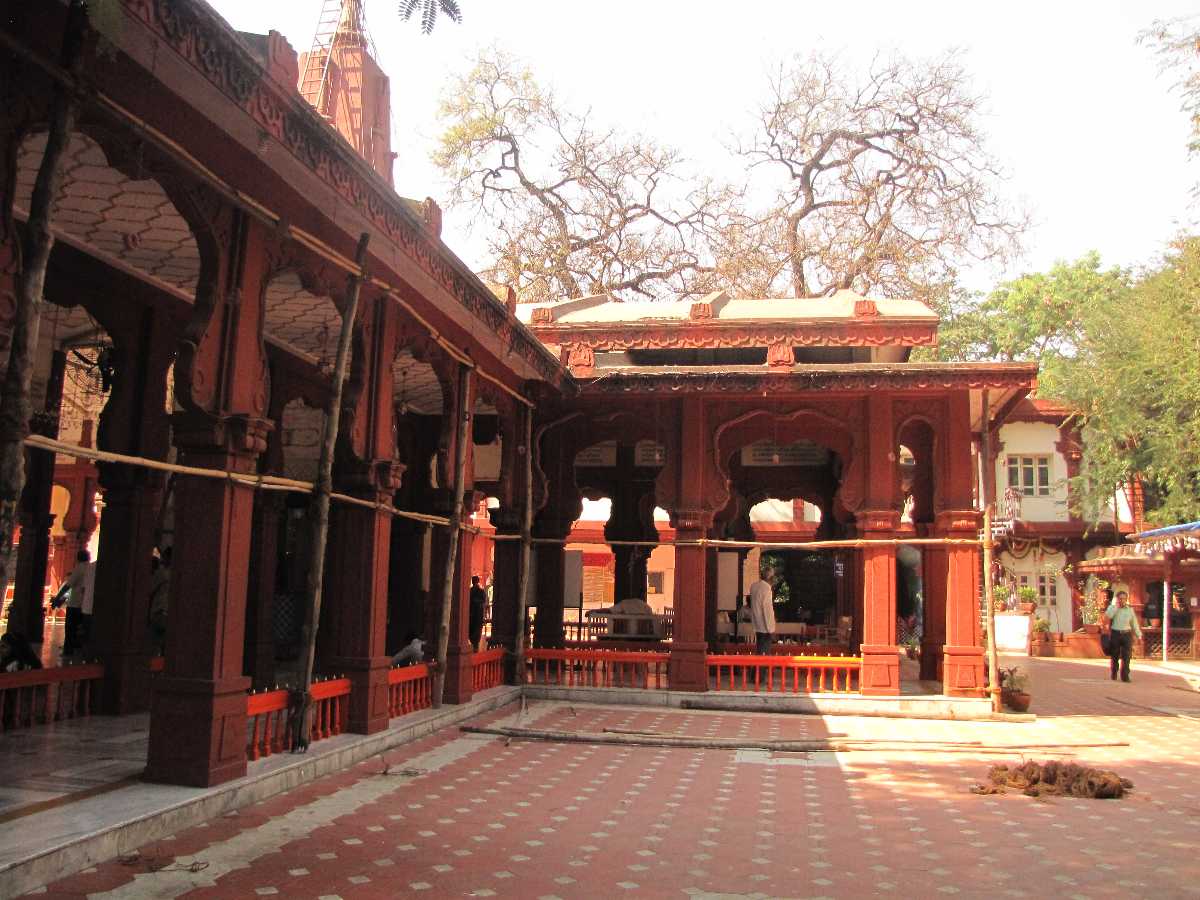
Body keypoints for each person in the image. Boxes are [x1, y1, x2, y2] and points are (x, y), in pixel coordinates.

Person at [50, 549, 96, 657]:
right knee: (80, 628)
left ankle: (68, 650)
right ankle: (78, 649)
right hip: (85, 605)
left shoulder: (79, 568)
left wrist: (57, 598)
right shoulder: (90, 568)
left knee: (70, 628)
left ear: (78, 558)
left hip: (74, 604)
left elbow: (68, 585)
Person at [1104, 590, 1142, 683]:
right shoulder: (1112, 608)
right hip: (1116, 633)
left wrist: (1139, 635)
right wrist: (1116, 607)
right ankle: (1114, 671)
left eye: (1124, 599)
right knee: (1115, 655)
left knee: (1127, 656)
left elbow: (1134, 623)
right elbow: (1108, 616)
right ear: (1117, 599)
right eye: (1120, 599)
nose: (1122, 600)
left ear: (1126, 599)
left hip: (1127, 634)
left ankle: (1125, 676)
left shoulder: (1130, 610)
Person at [148, 547, 172, 654]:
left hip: (159, 612)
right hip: (168, 614)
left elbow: (149, 590)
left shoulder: (162, 573)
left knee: (154, 644)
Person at [748, 565, 777, 655]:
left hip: (756, 624)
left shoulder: (753, 586)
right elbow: (767, 610)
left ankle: (756, 668)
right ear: (771, 577)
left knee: (759, 649)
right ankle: (761, 669)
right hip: (765, 626)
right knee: (765, 652)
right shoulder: (766, 589)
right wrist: (771, 629)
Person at [469, 575, 487, 650]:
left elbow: (483, 601)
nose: (474, 582)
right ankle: (474, 645)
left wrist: (475, 602)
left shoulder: (480, 591)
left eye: (475, 580)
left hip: (477, 613)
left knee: (476, 630)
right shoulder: (470, 591)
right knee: (472, 630)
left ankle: (475, 646)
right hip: (472, 613)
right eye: (473, 580)